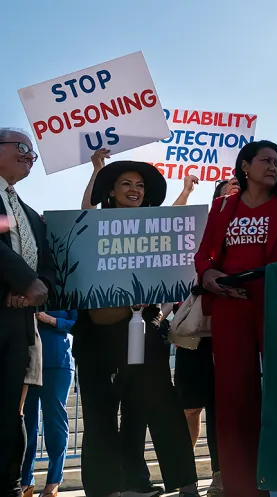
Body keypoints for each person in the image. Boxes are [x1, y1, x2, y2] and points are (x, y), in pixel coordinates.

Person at [73, 149, 199, 497]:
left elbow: (176, 222)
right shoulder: (95, 224)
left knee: (159, 406)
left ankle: (183, 484)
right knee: (100, 413)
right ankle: (107, 489)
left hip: (145, 332)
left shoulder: (154, 226)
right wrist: (97, 171)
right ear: (111, 191)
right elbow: (85, 213)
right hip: (98, 335)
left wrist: (186, 192)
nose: (134, 189)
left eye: (140, 185)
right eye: (126, 183)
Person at [194, 140, 277, 497]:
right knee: (234, 398)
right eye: (265, 160)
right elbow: (204, 255)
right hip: (231, 305)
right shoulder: (222, 207)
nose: (273, 166)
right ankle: (242, 486)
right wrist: (208, 274)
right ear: (244, 167)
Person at [0, 128, 54, 497]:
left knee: (9, 411)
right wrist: (23, 280)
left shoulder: (30, 214)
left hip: (18, 324)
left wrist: (38, 289)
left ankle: (9, 485)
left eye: (32, 152)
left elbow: (47, 263)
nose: (29, 156)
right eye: (21, 147)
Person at [170, 182, 231, 497]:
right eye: (230, 188)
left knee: (221, 410)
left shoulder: (253, 232)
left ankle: (221, 475)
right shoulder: (199, 229)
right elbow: (169, 224)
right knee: (190, 409)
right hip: (194, 334)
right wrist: (185, 193)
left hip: (230, 332)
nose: (236, 192)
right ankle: (185, 475)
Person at [20, 309, 77, 497]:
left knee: (54, 424)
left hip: (58, 359)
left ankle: (53, 482)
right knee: (26, 423)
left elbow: (77, 323)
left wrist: (51, 320)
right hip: (28, 360)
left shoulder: (68, 292)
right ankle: (25, 481)